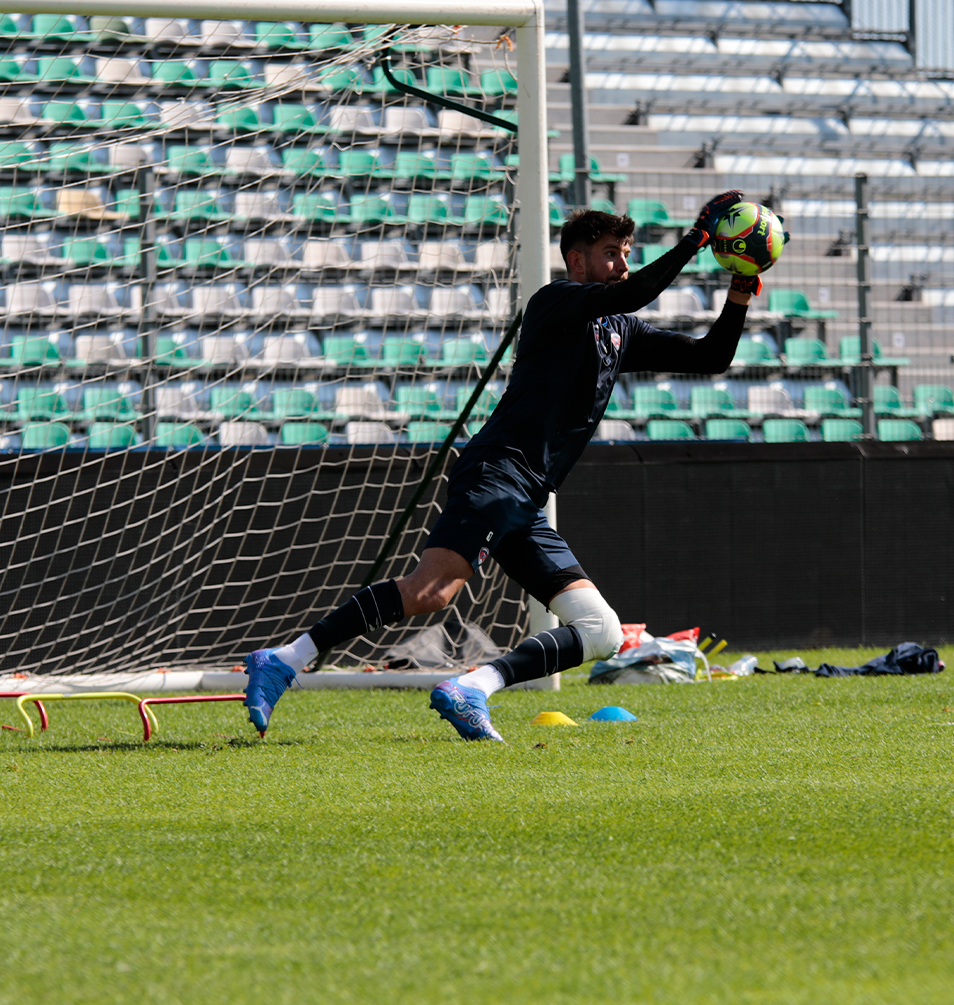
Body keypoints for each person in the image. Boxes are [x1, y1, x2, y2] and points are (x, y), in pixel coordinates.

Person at [244, 189, 763, 741]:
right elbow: (636, 293)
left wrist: (739, 290)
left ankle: (472, 688)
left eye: (626, 253)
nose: (622, 264)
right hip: (496, 474)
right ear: (577, 260)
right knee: (429, 592)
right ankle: (285, 658)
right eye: (611, 253)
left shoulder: (619, 330)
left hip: (527, 498)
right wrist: (696, 239)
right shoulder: (555, 301)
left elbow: (712, 357)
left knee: (601, 630)